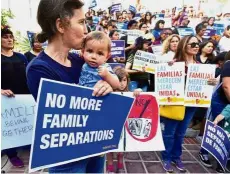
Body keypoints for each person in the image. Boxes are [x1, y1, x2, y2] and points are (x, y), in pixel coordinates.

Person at [26, 0, 113, 173]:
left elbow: (106, 91)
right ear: (61, 25)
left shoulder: (80, 61)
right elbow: (63, 120)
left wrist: (107, 85)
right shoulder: (39, 68)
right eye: (81, 22)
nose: (87, 30)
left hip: (95, 147)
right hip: (67, 159)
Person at [161, 35, 200, 173]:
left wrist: (210, 82)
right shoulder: (175, 64)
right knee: (170, 133)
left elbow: (203, 86)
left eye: (197, 44)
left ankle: (176, 157)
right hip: (176, 102)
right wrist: (168, 69)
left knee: (181, 133)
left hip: (191, 104)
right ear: (184, 46)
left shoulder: (200, 67)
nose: (196, 46)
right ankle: (166, 157)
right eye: (193, 44)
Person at [1, 26, 30, 168]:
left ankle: (27, 144)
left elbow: (28, 76)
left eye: (11, 36)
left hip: (24, 97)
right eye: (5, 37)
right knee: (8, 127)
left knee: (25, 122)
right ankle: (12, 154)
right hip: (5, 101)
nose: (9, 39)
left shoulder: (21, 57)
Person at [106, 67, 142, 173]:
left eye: (124, 80)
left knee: (121, 147)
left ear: (127, 80)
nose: (122, 83)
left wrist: (138, 91)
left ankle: (120, 164)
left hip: (124, 126)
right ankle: (110, 165)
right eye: (119, 80)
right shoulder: (109, 92)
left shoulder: (129, 93)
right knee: (109, 146)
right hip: (110, 125)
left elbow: (138, 95)